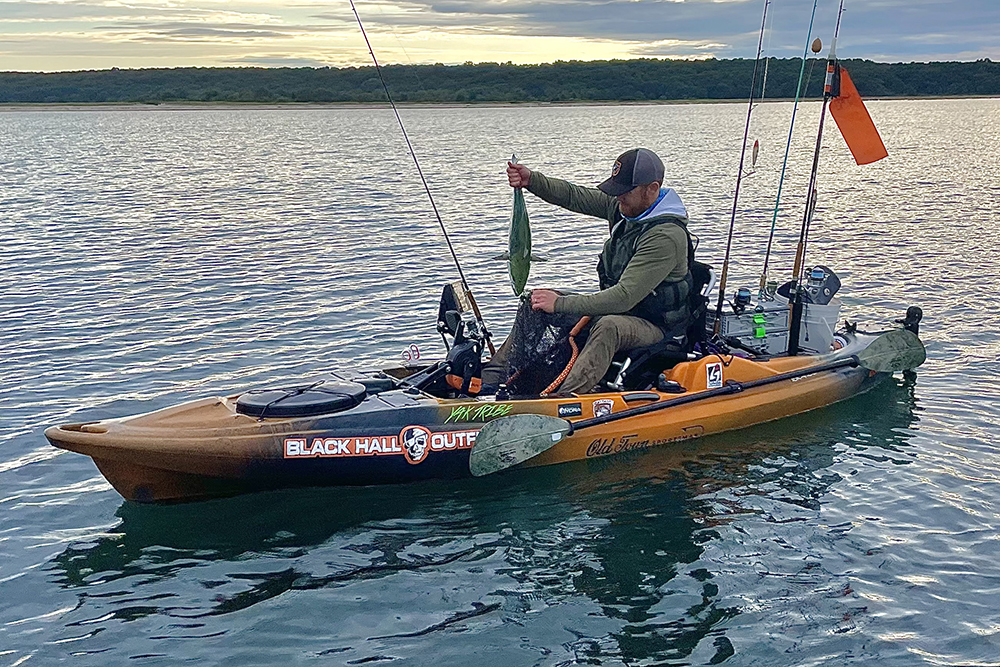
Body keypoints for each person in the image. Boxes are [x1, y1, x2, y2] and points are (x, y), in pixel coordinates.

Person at [484, 147, 696, 394]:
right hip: (621, 310)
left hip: (656, 326)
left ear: (652, 189)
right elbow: (574, 196)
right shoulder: (626, 209)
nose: (618, 198)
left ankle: (565, 398)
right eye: (616, 191)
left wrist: (561, 305)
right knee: (537, 300)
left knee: (608, 326)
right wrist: (532, 180)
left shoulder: (665, 236)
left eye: (625, 192)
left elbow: (623, 297)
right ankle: (490, 379)